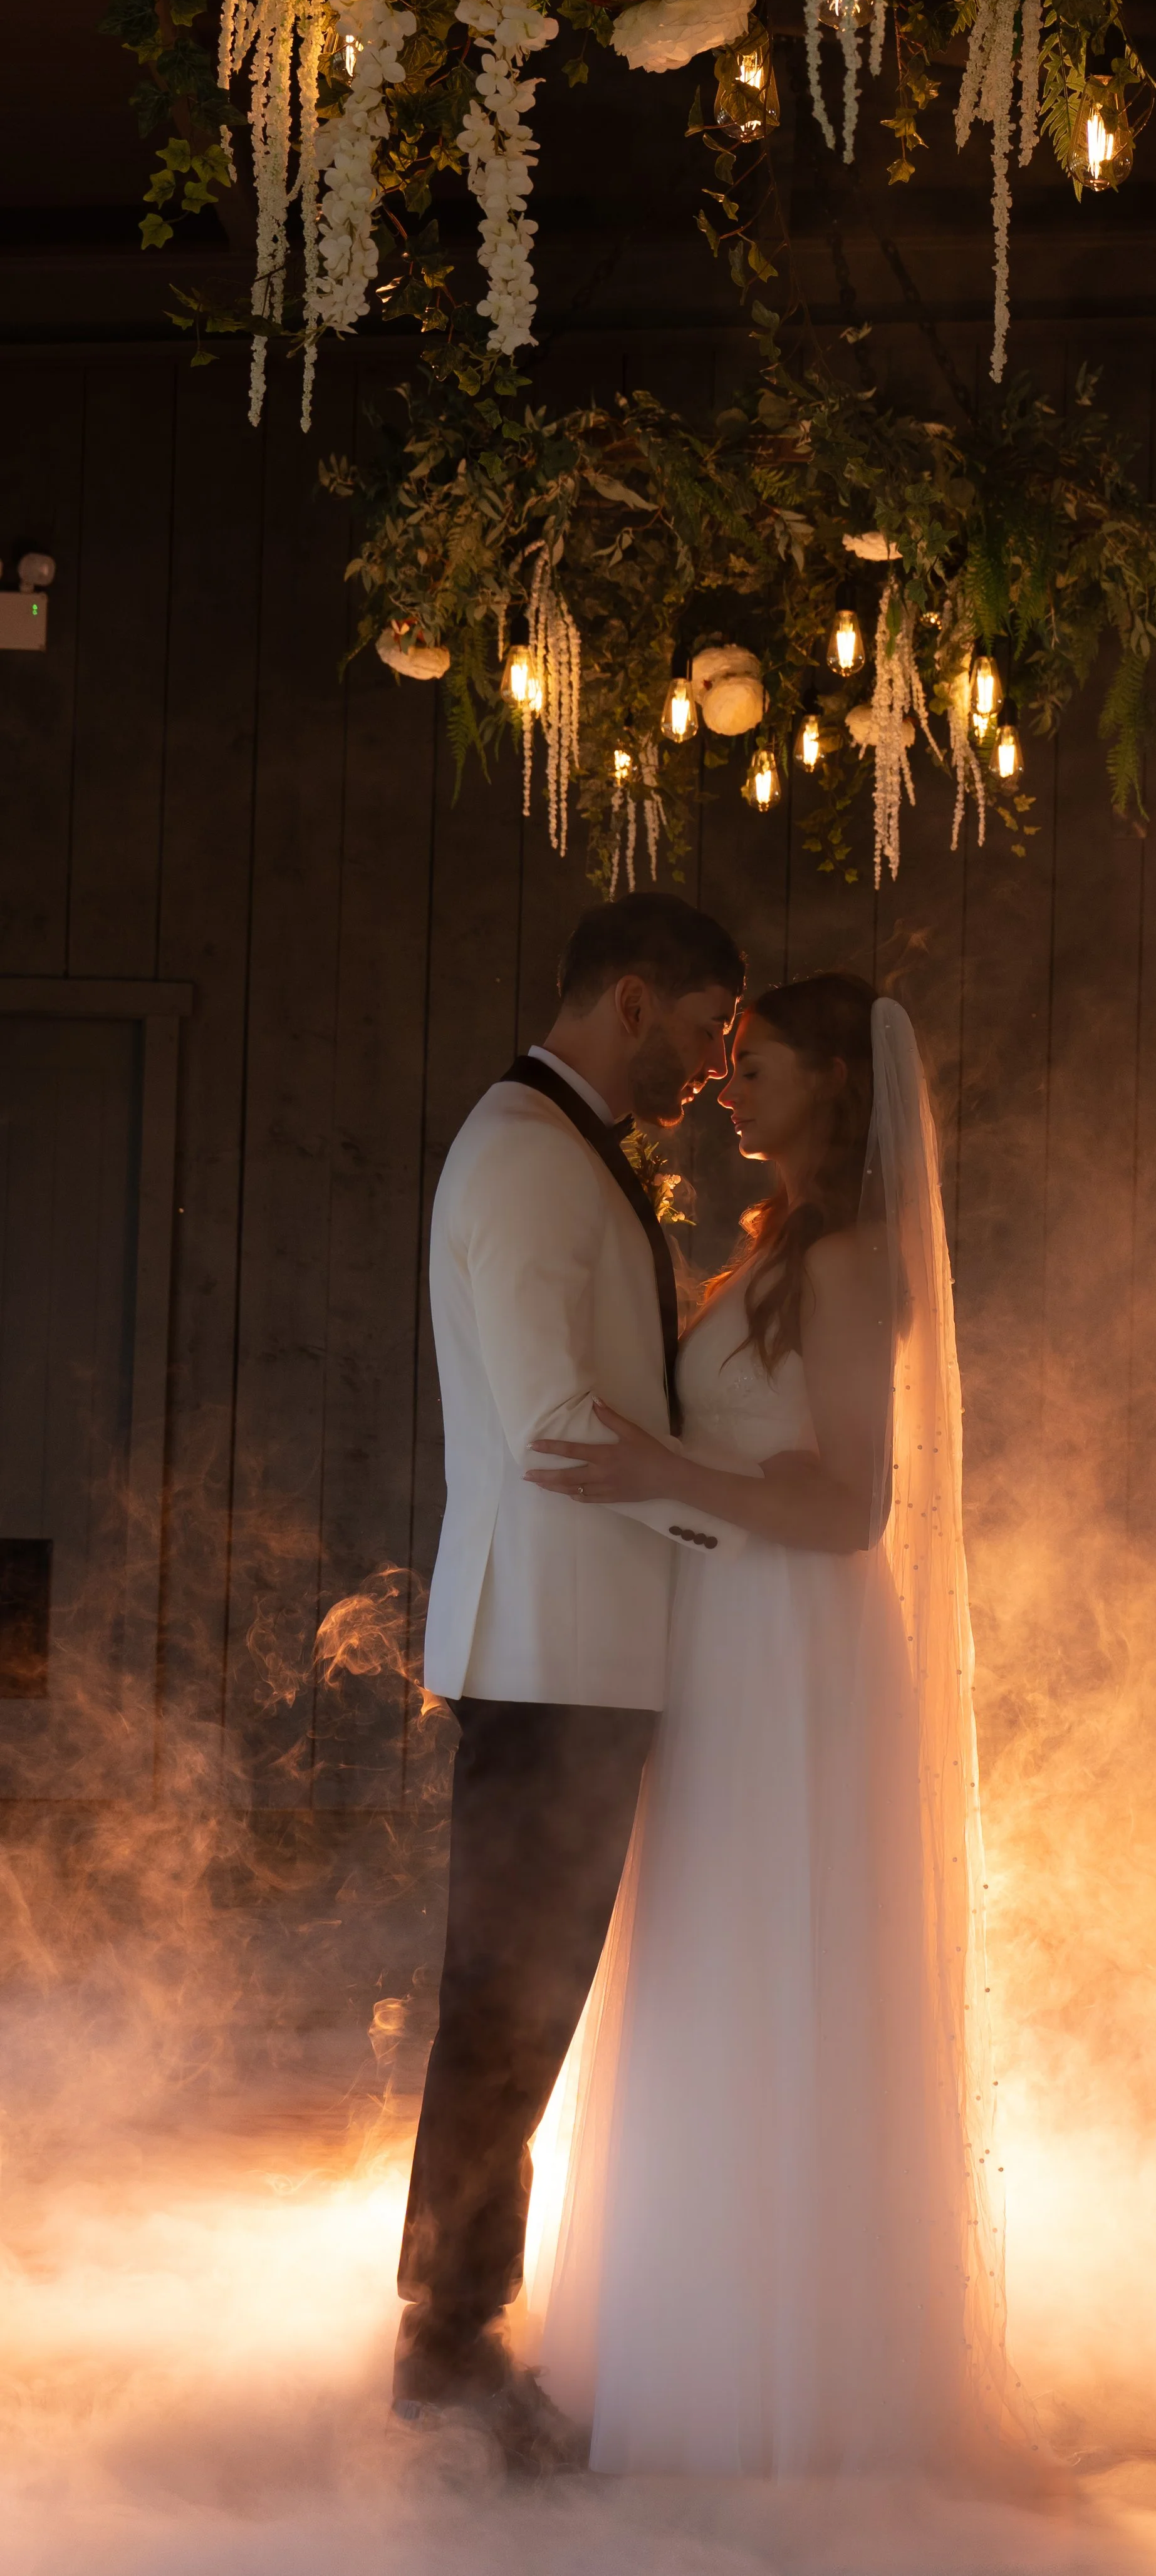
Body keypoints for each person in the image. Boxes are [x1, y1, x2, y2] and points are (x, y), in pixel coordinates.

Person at [524, 975, 1014, 2476]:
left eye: (760, 1063)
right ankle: (681, 2326)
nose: (728, 1083)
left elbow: (853, 1504)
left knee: (775, 1960)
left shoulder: (855, 1262)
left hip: (794, 1642)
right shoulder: (770, 1244)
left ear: (834, 1087)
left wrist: (662, 1474)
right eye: (729, 1062)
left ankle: (789, 2376)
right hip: (722, 1634)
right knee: (700, 1964)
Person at [394, 892, 747, 2461]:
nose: (709, 1067)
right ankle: (449, 2351)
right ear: (629, 996)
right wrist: (749, 1531)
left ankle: (459, 2330)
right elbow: (554, 1428)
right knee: (506, 2007)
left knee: (521, 2003)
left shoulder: (556, 1144)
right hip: (554, 1649)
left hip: (578, 1642)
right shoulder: (533, 1157)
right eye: (699, 1032)